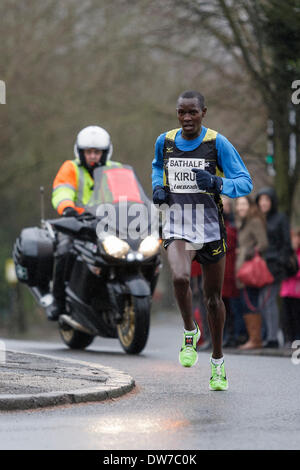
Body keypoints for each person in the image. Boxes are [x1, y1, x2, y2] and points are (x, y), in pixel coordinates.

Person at [152, 90, 252, 391]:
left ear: (203, 112)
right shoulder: (165, 141)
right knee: (181, 278)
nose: (186, 118)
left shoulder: (216, 143)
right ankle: (189, 331)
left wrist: (218, 182)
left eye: (192, 112)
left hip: (210, 229)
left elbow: (245, 181)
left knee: (212, 299)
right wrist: (158, 186)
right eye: (181, 112)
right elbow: (158, 166)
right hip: (177, 224)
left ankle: (218, 362)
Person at [49, 125, 116, 320]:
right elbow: (62, 190)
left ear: (105, 153)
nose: (93, 156)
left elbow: (130, 194)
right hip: (77, 223)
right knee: (65, 250)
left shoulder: (116, 170)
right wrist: (67, 208)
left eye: (97, 152)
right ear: (80, 152)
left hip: (109, 224)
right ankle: (58, 301)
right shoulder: (70, 168)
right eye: (89, 152)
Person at [256, 187, 293, 348]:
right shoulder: (260, 219)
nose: (263, 203)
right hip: (262, 267)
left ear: (272, 201)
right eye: (261, 200)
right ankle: (268, 335)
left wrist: (279, 260)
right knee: (262, 301)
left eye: (266, 200)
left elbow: (287, 243)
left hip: (275, 267)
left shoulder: (280, 218)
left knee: (268, 300)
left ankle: (272, 338)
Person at [235, 196, 268, 349]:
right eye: (238, 205)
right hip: (243, 271)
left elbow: (263, 243)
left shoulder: (254, 221)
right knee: (247, 303)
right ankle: (252, 338)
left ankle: (255, 340)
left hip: (251, 271)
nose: (240, 207)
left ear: (250, 206)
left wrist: (247, 252)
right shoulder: (244, 223)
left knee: (250, 303)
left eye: (243, 204)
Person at [280, 229, 300, 345]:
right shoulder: (287, 252)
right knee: (287, 317)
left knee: (296, 317)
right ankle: (289, 339)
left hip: (297, 291)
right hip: (286, 290)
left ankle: (297, 339)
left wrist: (293, 272)